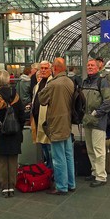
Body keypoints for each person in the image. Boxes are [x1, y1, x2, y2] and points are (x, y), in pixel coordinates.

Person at [35, 58, 76, 195]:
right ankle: (71, 183)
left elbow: (42, 100)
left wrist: (41, 83)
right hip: (67, 123)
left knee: (58, 158)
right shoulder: (70, 82)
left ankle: (61, 186)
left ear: (55, 68)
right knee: (68, 155)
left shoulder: (53, 84)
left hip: (56, 124)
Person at [0, 70, 26, 198]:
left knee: (1, 160)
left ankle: (4, 187)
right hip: (14, 133)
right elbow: (22, 115)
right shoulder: (16, 95)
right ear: (8, 80)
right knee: (13, 160)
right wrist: (19, 127)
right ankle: (12, 186)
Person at [81, 59, 110, 187]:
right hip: (87, 120)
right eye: (88, 65)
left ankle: (101, 176)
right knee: (90, 149)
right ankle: (95, 172)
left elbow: (108, 101)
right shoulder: (85, 82)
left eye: (92, 65)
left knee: (99, 149)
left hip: (98, 121)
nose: (89, 67)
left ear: (97, 67)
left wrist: (96, 113)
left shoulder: (102, 81)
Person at [31, 61, 54, 171]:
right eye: (41, 68)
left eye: (46, 68)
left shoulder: (52, 83)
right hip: (38, 119)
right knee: (43, 145)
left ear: (51, 70)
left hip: (47, 121)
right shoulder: (38, 85)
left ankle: (51, 168)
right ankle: (48, 166)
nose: (43, 70)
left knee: (49, 147)